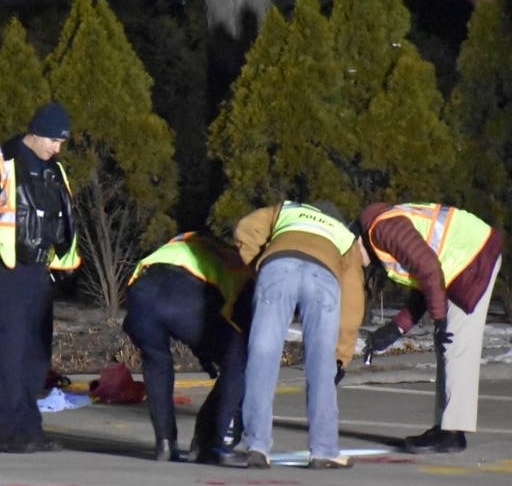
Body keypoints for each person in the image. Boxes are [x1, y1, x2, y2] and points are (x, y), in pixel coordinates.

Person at [0, 101, 81, 453]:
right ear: (37, 133)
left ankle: (31, 429)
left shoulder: (53, 170)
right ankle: (12, 434)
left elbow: (63, 220)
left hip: (38, 272)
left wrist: (66, 264)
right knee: (10, 354)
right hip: (7, 273)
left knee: (36, 355)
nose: (57, 148)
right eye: (54, 141)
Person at [228, 201, 367, 470]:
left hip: (278, 266)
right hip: (324, 276)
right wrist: (342, 354)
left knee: (262, 355)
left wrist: (258, 267)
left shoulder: (285, 210)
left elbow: (246, 229)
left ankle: (256, 444)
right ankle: (323, 450)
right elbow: (352, 301)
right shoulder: (344, 237)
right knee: (321, 365)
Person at [359, 202, 502, 454]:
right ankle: (446, 428)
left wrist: (439, 318)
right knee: (448, 345)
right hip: (465, 257)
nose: (357, 265)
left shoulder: (383, 229)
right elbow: (424, 284)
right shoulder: (382, 229)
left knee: (454, 345)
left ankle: (451, 434)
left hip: (472, 257)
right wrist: (396, 329)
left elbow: (429, 268)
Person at [123, 232, 252, 463]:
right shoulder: (238, 266)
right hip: (182, 294)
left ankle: (165, 443)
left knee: (157, 364)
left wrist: (205, 354)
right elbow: (234, 325)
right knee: (239, 362)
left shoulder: (181, 243)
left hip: (140, 293)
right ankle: (215, 442)